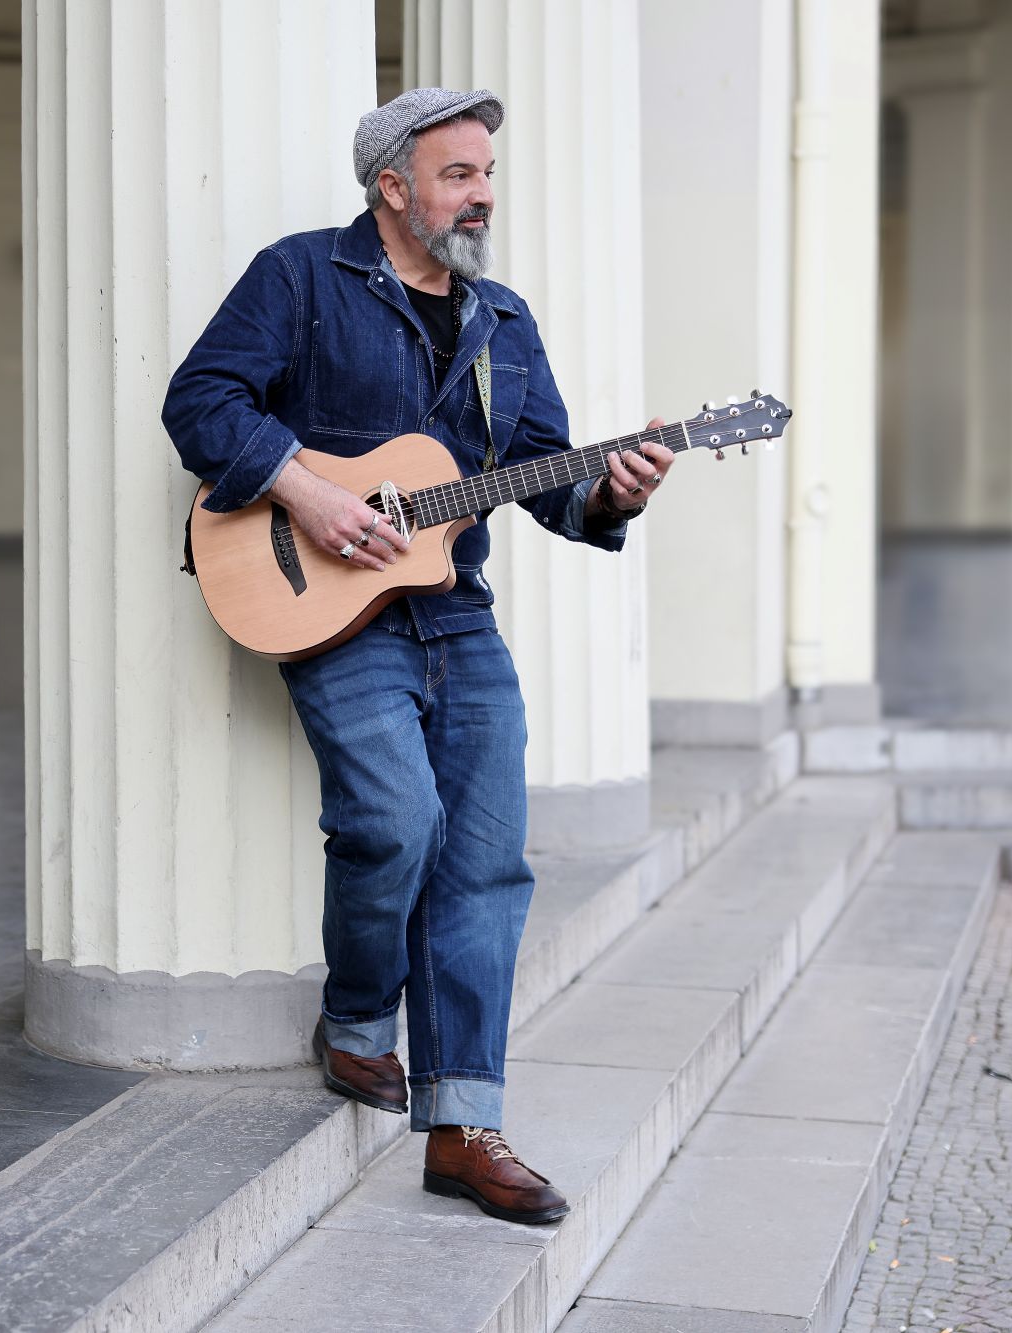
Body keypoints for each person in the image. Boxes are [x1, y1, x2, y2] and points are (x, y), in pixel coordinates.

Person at [160, 87, 674, 1225]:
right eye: (458, 174)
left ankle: (463, 1128)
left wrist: (611, 491)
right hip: (330, 608)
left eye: (487, 173)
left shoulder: (503, 321)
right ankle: (355, 1021)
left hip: (455, 612)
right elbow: (199, 400)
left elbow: (549, 479)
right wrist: (308, 493)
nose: (482, 194)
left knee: (485, 859)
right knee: (395, 821)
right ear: (391, 186)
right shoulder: (300, 276)